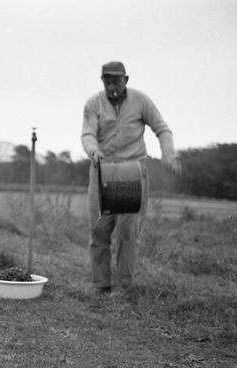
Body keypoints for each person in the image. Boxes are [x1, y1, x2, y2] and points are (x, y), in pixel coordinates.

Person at [81, 61, 181, 294]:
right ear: (102, 81)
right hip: (102, 170)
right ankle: (101, 285)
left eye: (116, 81)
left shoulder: (141, 101)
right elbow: (87, 133)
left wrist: (169, 155)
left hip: (132, 172)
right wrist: (93, 150)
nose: (112, 86)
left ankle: (124, 286)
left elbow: (162, 129)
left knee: (128, 232)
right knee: (99, 230)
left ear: (126, 80)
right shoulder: (93, 103)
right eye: (107, 82)